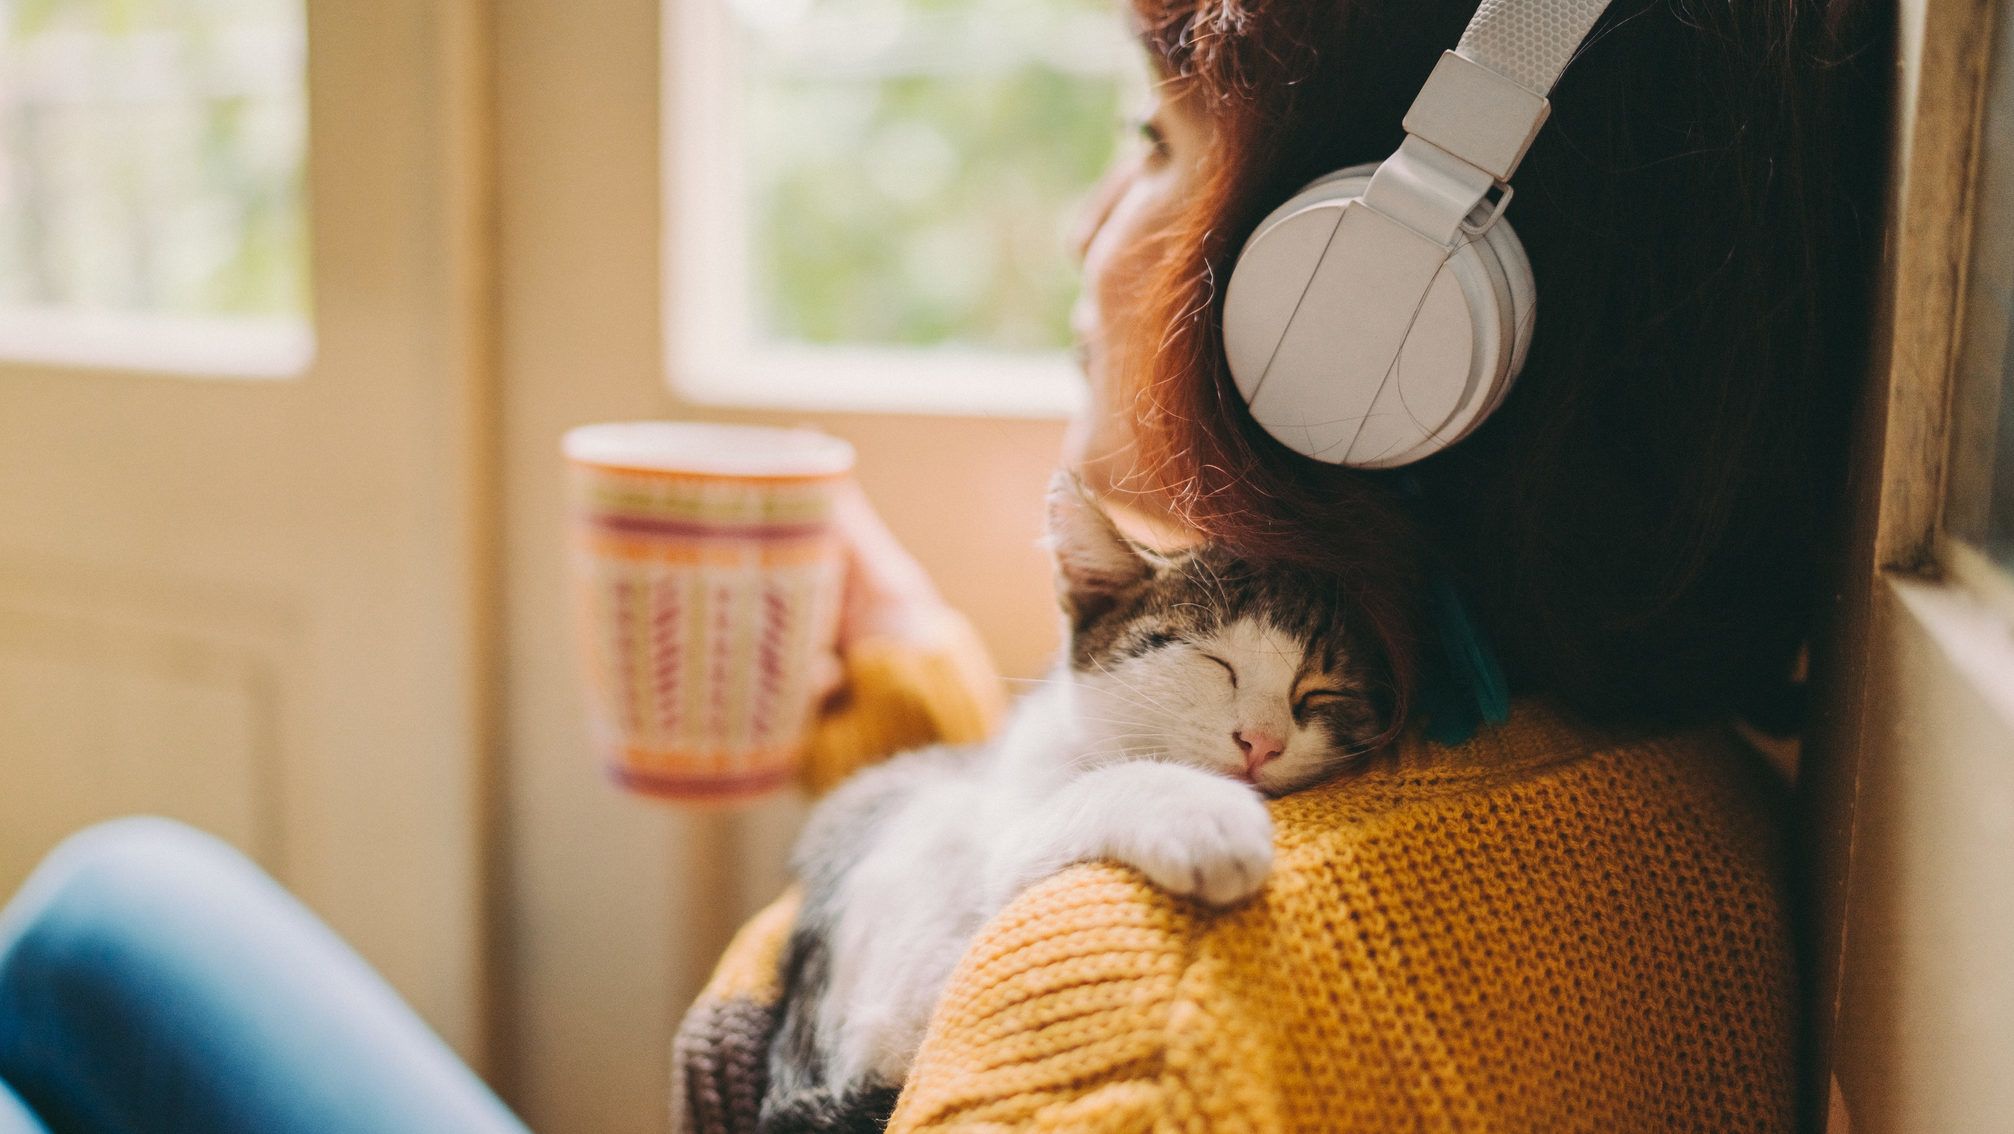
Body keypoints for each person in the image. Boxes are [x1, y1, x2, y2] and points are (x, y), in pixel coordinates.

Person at [0, 0, 1880, 1129]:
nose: (1087, 213)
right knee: (109, 904)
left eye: (1150, 138)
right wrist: (918, 727)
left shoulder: (1130, 1051)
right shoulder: (1631, 755)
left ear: (1363, 293)